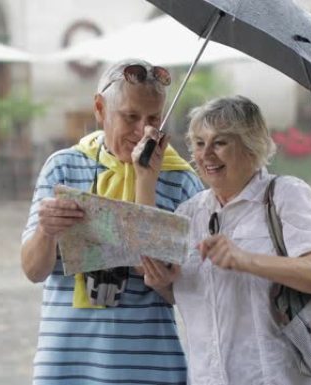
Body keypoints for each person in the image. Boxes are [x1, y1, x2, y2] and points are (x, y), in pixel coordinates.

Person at [140, 95, 311, 384]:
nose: (206, 154)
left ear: (251, 145)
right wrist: (164, 283)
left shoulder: (285, 195)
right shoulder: (189, 212)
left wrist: (247, 260)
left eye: (220, 142)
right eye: (199, 143)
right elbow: (195, 298)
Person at [21, 58, 204, 384]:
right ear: (100, 108)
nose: (143, 131)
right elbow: (33, 270)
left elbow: (194, 296)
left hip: (149, 367)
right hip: (67, 364)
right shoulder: (63, 167)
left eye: (154, 119)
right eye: (130, 117)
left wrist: (146, 179)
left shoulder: (183, 183)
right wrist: (46, 232)